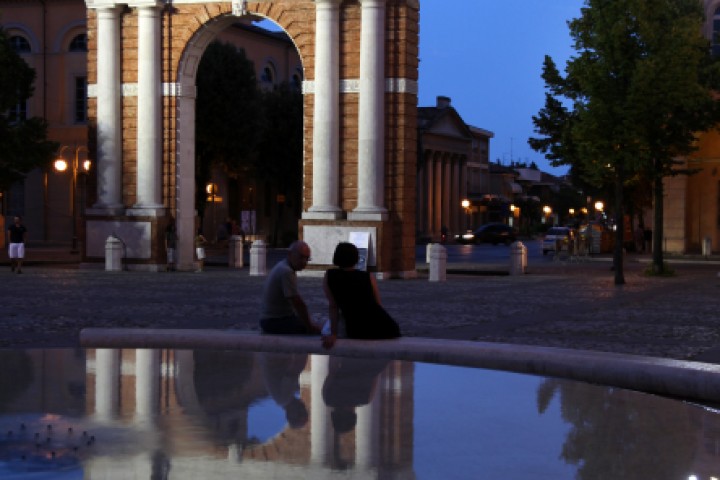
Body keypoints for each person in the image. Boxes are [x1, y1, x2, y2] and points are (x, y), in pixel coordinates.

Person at [322, 242, 401, 349]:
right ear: (356, 258)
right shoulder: (367, 276)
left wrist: (333, 334)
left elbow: (333, 306)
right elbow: (377, 303)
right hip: (384, 327)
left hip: (356, 328)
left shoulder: (330, 275)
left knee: (325, 329)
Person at [259, 240, 321, 334]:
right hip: (273, 321)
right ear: (290, 254)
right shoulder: (286, 271)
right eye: (301, 257)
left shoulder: (283, 266)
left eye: (307, 258)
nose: (304, 262)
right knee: (319, 330)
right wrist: (309, 326)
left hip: (272, 319)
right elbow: (297, 302)